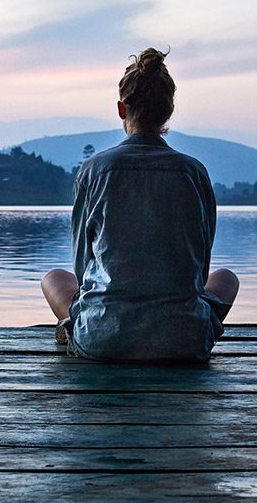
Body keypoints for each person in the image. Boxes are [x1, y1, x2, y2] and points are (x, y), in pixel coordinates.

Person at [40, 47, 239, 362]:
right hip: (183, 343)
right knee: (227, 278)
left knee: (54, 278)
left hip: (103, 340)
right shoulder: (194, 172)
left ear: (122, 109)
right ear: (169, 112)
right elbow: (200, 271)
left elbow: (81, 266)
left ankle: (74, 327)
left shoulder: (94, 171)